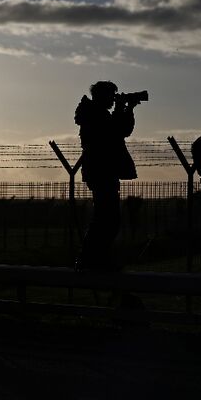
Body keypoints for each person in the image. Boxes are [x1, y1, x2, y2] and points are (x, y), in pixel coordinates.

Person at [74, 81, 142, 271]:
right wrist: (123, 109)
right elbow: (117, 131)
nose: (113, 98)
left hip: (102, 170)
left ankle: (94, 259)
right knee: (107, 219)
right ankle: (91, 260)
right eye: (111, 95)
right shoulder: (95, 114)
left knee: (106, 218)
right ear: (102, 96)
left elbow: (120, 131)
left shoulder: (94, 113)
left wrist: (126, 109)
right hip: (101, 170)